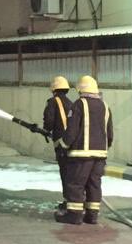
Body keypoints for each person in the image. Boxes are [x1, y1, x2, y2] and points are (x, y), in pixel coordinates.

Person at [55, 74, 113, 226]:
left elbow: (71, 131)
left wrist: (63, 145)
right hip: (100, 156)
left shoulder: (79, 105)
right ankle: (92, 216)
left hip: (81, 156)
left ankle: (74, 215)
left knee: (75, 184)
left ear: (81, 90)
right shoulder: (105, 107)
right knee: (94, 185)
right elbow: (110, 134)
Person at [42, 76, 73, 211]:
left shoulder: (53, 102)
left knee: (65, 173)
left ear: (53, 89)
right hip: (72, 143)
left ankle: (68, 202)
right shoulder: (71, 103)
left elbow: (49, 121)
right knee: (73, 174)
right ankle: (76, 200)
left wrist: (45, 130)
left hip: (61, 144)